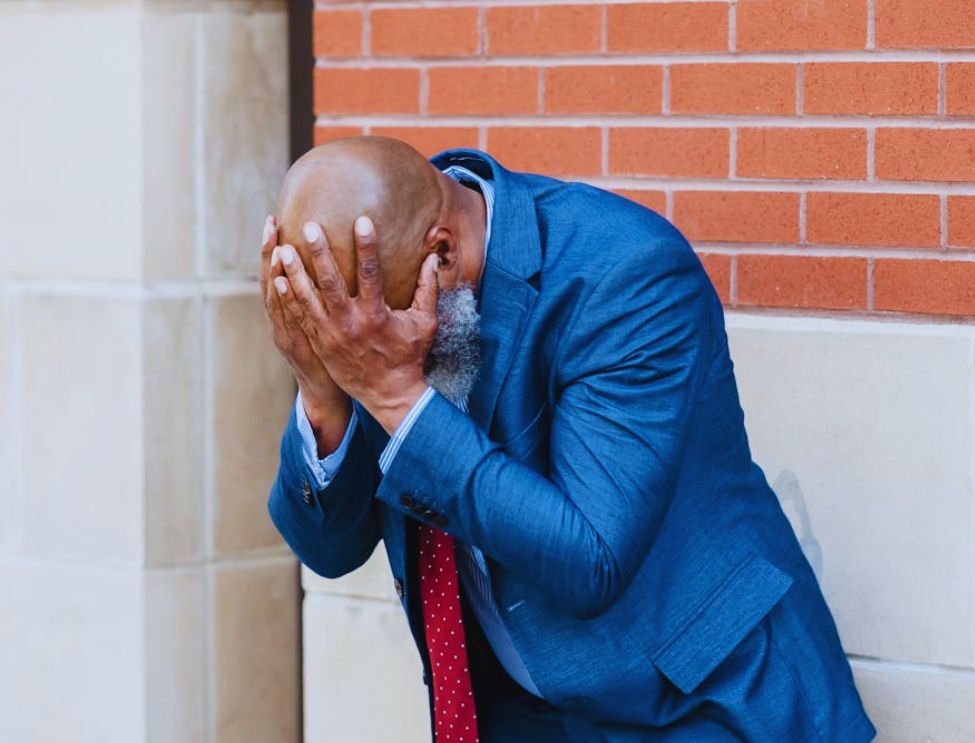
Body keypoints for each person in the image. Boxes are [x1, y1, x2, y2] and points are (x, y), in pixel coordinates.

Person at [263, 136, 875, 742]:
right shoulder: (368, 307)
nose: (350, 350)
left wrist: (397, 397)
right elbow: (331, 551)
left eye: (354, 347)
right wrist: (322, 390)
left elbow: (591, 559)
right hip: (527, 712)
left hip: (700, 704)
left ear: (441, 253)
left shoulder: (625, 274)